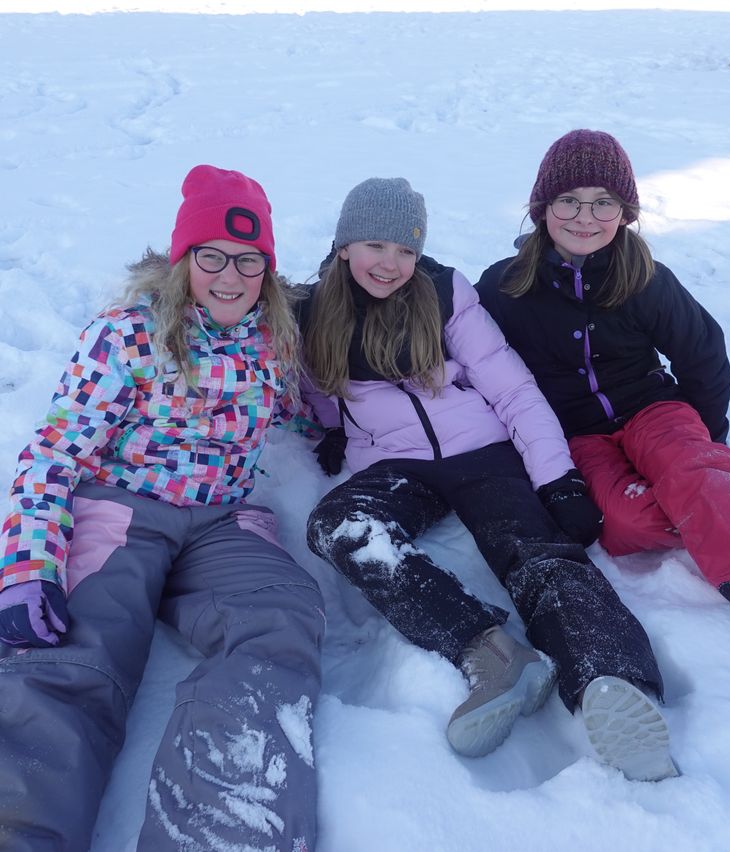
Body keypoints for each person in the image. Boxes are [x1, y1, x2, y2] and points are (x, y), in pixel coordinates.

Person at [301, 177, 678, 782]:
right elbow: (317, 389)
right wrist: (335, 429)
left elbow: (512, 388)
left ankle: (611, 678)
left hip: (481, 449)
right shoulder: (313, 312)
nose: (391, 264)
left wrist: (558, 478)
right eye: (376, 245)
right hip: (393, 464)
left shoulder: (447, 293)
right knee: (340, 526)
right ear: (345, 245)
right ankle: (491, 653)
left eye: (406, 250)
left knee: (536, 554)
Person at [0, 165, 325, 852]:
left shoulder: (277, 340)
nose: (230, 276)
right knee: (73, 649)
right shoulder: (127, 336)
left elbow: (305, 416)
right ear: (184, 261)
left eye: (248, 260)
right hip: (121, 513)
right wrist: (29, 563)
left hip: (223, 522)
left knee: (279, 618)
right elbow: (53, 452)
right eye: (211, 256)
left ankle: (225, 828)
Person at [476, 129, 730, 709]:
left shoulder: (643, 276)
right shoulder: (504, 287)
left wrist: (705, 447)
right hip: (577, 435)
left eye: (604, 202)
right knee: (626, 526)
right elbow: (472, 362)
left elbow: (703, 352)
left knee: (701, 483)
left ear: (624, 212)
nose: (585, 216)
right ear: (542, 208)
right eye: (569, 201)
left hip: (657, 409)